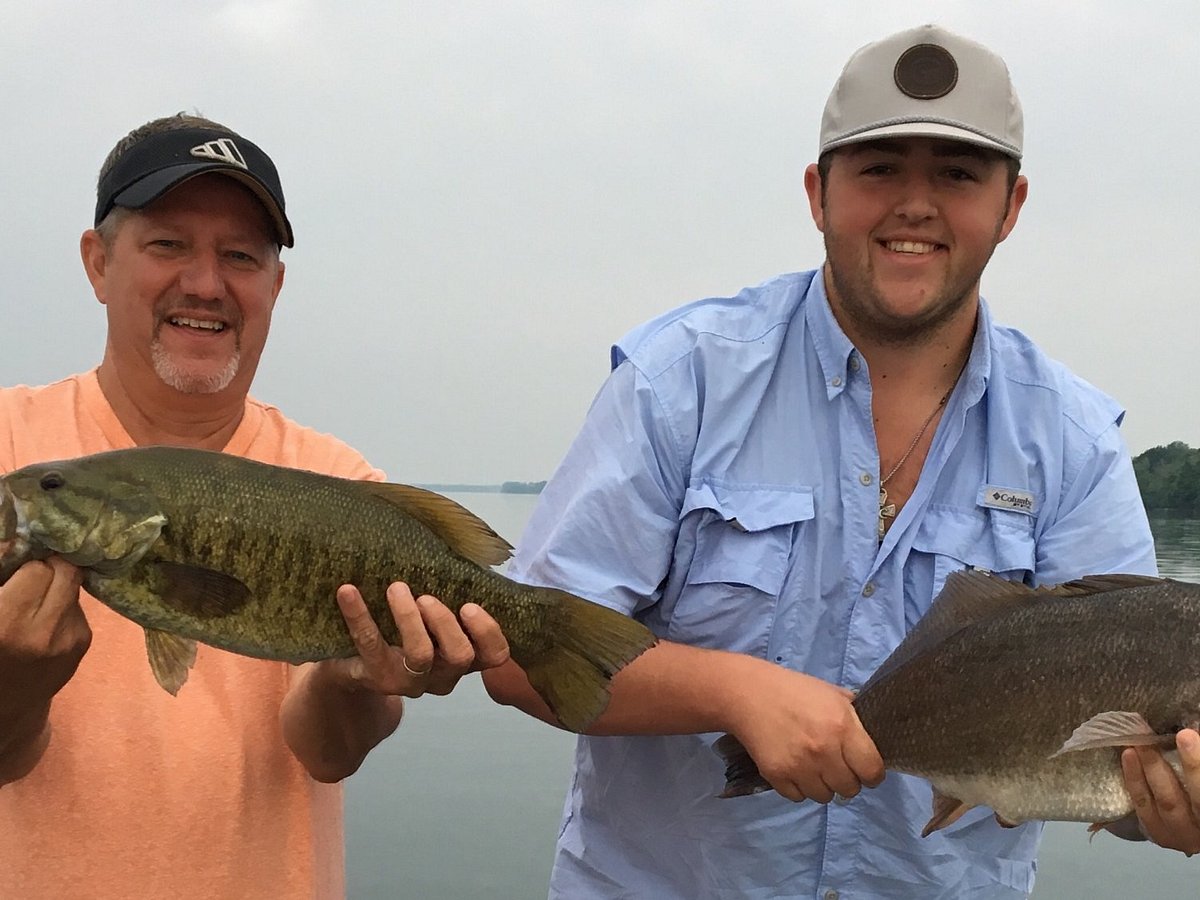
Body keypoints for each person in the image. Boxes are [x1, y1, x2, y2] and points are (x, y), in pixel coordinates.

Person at [483, 23, 1200, 898]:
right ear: (819, 193)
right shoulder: (681, 383)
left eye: (958, 175)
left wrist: (1166, 808)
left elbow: (1108, 770)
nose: (916, 204)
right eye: (880, 168)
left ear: (1011, 207)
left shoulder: (1076, 442)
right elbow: (521, 655)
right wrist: (729, 691)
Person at [0, 114, 510, 899]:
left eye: (240, 255)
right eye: (168, 243)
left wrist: (353, 681)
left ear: (273, 286)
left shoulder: (339, 481)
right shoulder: (13, 461)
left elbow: (326, 754)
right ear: (97, 263)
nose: (205, 283)